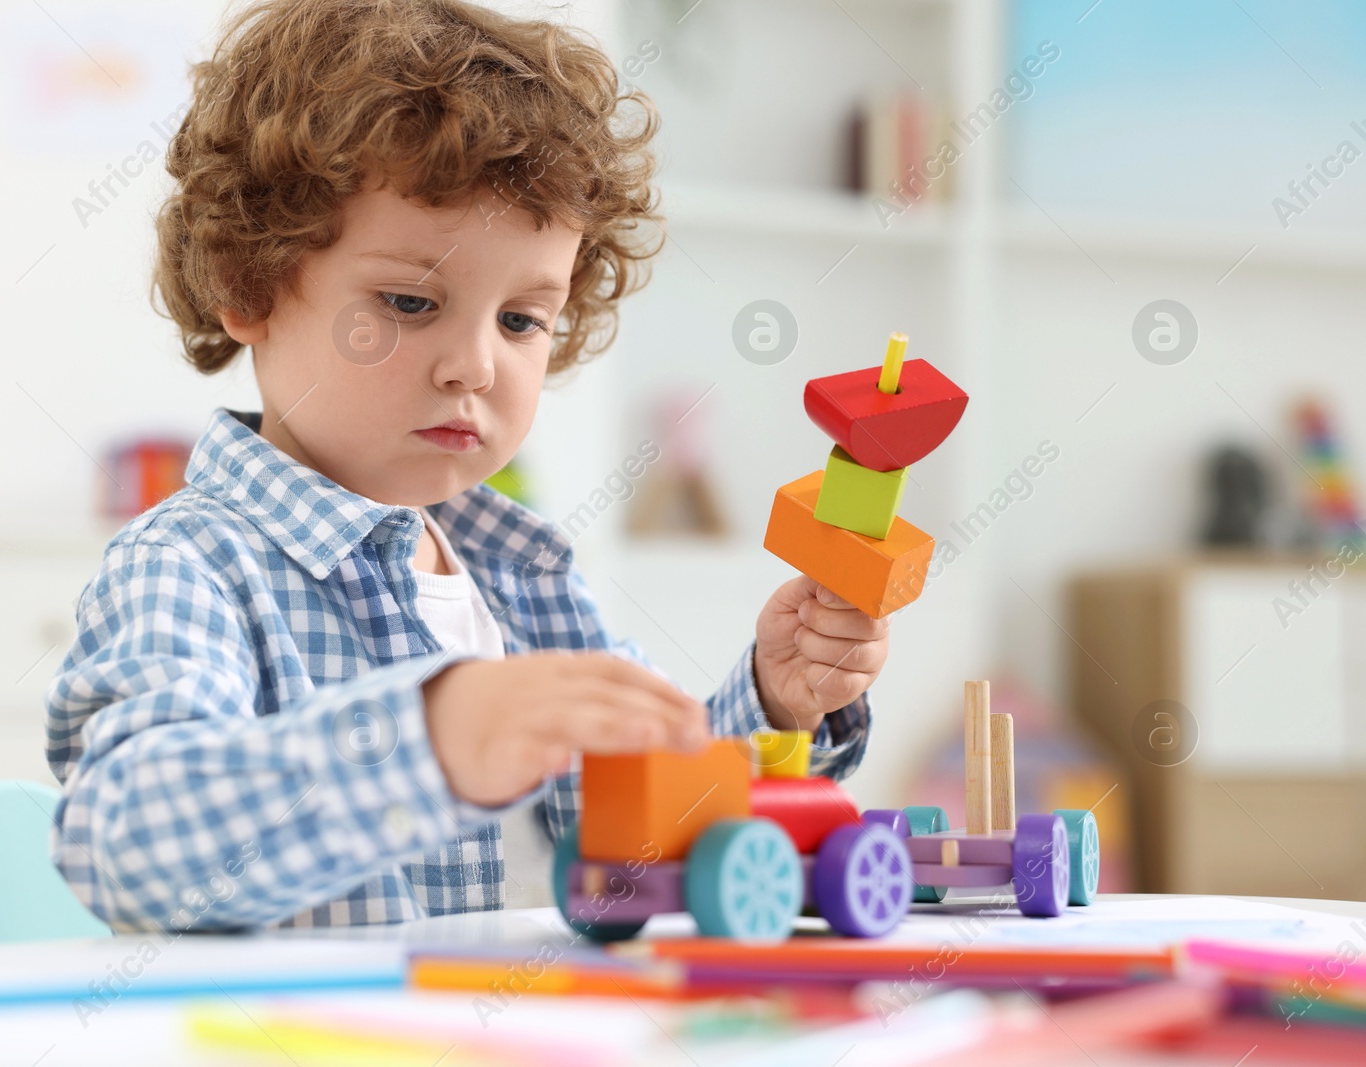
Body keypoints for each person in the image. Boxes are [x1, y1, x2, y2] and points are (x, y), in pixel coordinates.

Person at [45, 0, 889, 931]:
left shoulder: (525, 581)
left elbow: (648, 835)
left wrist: (775, 703)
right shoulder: (189, 566)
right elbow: (125, 840)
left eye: (523, 318)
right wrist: (430, 740)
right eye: (411, 300)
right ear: (249, 283)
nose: (476, 365)